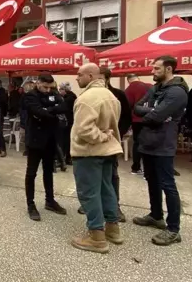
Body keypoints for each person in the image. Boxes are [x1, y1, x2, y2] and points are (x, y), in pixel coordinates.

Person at [132, 55, 187, 246]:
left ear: (169, 69)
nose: (152, 71)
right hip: (148, 142)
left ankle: (173, 229)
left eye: (156, 69)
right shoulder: (155, 88)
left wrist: (154, 113)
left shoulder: (177, 93)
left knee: (167, 185)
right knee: (151, 180)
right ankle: (156, 216)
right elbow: (137, 108)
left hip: (163, 145)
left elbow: (155, 117)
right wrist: (154, 113)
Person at [70, 63, 123, 254]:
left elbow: (84, 130)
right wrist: (106, 137)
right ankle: (113, 229)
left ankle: (96, 236)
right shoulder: (111, 95)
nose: (76, 78)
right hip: (108, 151)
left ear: (91, 75)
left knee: (89, 193)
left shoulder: (87, 98)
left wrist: (101, 137)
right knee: (106, 189)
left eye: (79, 75)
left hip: (88, 152)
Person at [23, 73, 68, 221]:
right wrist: (51, 109)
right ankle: (31, 204)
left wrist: (47, 110)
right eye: (45, 87)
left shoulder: (54, 93)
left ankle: (50, 200)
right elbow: (37, 111)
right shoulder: (30, 95)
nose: (48, 90)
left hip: (50, 139)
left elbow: (64, 106)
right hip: (35, 140)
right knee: (31, 173)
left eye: (50, 87)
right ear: (38, 83)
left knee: (48, 171)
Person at [98, 67, 129, 221]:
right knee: (94, 174)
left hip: (111, 141)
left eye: (101, 78)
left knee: (112, 174)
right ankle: (95, 204)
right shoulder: (90, 94)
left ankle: (115, 207)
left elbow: (126, 118)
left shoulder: (118, 95)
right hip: (94, 142)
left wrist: (118, 134)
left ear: (108, 79)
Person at [124, 74, 152, 175]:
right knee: (149, 144)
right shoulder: (150, 86)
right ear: (138, 79)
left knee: (137, 143)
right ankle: (148, 170)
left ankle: (136, 167)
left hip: (137, 120)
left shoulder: (128, 90)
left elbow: (127, 107)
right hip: (151, 118)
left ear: (128, 81)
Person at [59, 82, 77, 166]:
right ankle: (67, 158)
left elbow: (63, 109)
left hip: (67, 122)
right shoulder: (73, 96)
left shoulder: (68, 99)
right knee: (68, 141)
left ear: (64, 90)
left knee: (65, 141)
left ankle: (65, 158)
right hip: (71, 121)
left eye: (60, 89)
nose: (59, 91)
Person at [19, 80, 34, 157]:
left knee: (28, 133)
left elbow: (21, 107)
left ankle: (28, 149)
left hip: (26, 116)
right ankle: (29, 149)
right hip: (29, 116)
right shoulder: (33, 96)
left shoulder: (24, 96)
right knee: (30, 133)